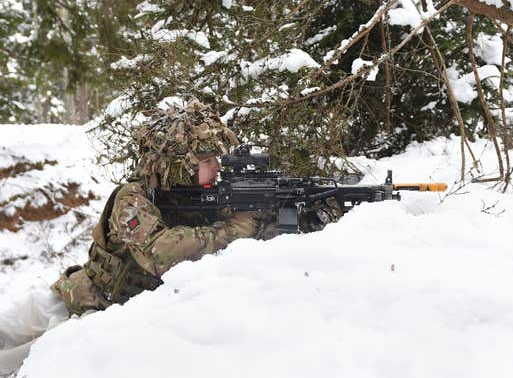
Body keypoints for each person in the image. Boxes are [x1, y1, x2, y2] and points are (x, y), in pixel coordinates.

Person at [0, 98, 342, 375]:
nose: (217, 168)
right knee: (14, 356)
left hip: (111, 319)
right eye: (207, 161)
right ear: (176, 163)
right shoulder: (134, 198)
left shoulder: (209, 194)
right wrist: (235, 230)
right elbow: (159, 253)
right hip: (81, 303)